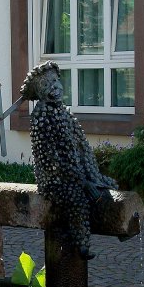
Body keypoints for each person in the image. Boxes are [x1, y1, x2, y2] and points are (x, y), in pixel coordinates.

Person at [22, 61, 117, 259]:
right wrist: (81, 182)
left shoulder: (65, 113)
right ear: (39, 93)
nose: (54, 88)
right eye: (46, 85)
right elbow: (51, 161)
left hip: (79, 176)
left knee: (109, 185)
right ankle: (81, 245)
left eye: (55, 81)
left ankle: (120, 229)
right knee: (78, 200)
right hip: (55, 181)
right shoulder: (41, 116)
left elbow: (83, 149)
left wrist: (93, 176)